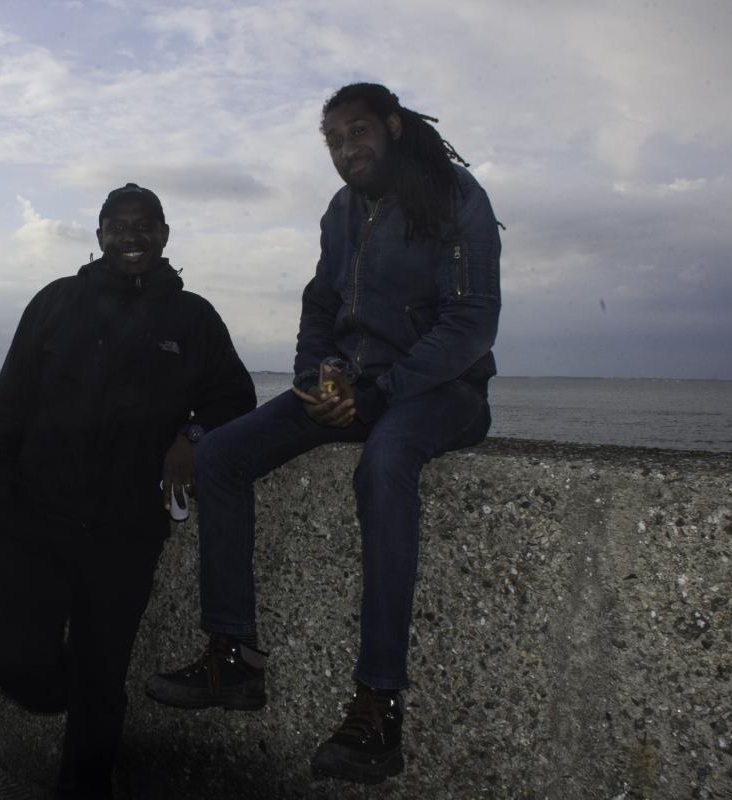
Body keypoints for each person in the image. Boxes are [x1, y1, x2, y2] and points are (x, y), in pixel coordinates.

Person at [146, 82, 502, 785]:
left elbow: (471, 322)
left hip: (443, 391)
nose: (346, 148)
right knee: (221, 454)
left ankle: (379, 702)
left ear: (393, 126)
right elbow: (319, 306)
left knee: (385, 463)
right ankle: (233, 658)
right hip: (355, 390)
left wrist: (380, 395)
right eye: (334, 140)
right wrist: (316, 381)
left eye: (358, 130)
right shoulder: (340, 212)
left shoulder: (453, 195)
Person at [0, 183, 256, 799]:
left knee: (103, 681)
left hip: (125, 533)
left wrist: (192, 435)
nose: (131, 235)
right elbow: (9, 399)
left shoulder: (193, 318)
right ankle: (67, 691)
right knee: (7, 658)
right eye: (118, 225)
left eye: (144, 224)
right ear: (99, 234)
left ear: (164, 234)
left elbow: (236, 396)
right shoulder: (56, 301)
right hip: (33, 520)